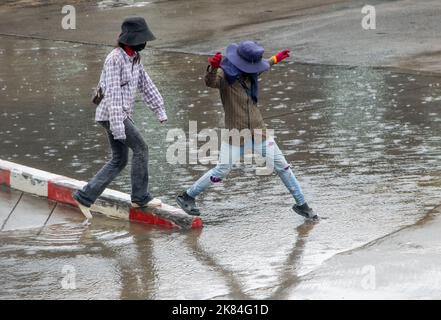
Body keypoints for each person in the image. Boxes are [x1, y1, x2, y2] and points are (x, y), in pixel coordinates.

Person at [176, 40, 317, 219]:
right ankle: (187, 196)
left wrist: (276, 58)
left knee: (283, 167)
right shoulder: (225, 75)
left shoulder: (251, 72)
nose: (254, 70)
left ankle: (302, 205)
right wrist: (212, 68)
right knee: (221, 171)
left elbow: (265, 64)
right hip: (236, 134)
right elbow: (211, 82)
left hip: (259, 131)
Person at [73, 16, 167, 219]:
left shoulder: (134, 58)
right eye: (142, 39)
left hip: (119, 115)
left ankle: (85, 196)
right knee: (141, 148)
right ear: (131, 39)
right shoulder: (115, 59)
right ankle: (140, 197)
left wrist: (159, 110)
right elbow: (113, 95)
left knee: (119, 160)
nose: (145, 43)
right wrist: (118, 128)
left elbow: (146, 85)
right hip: (112, 115)